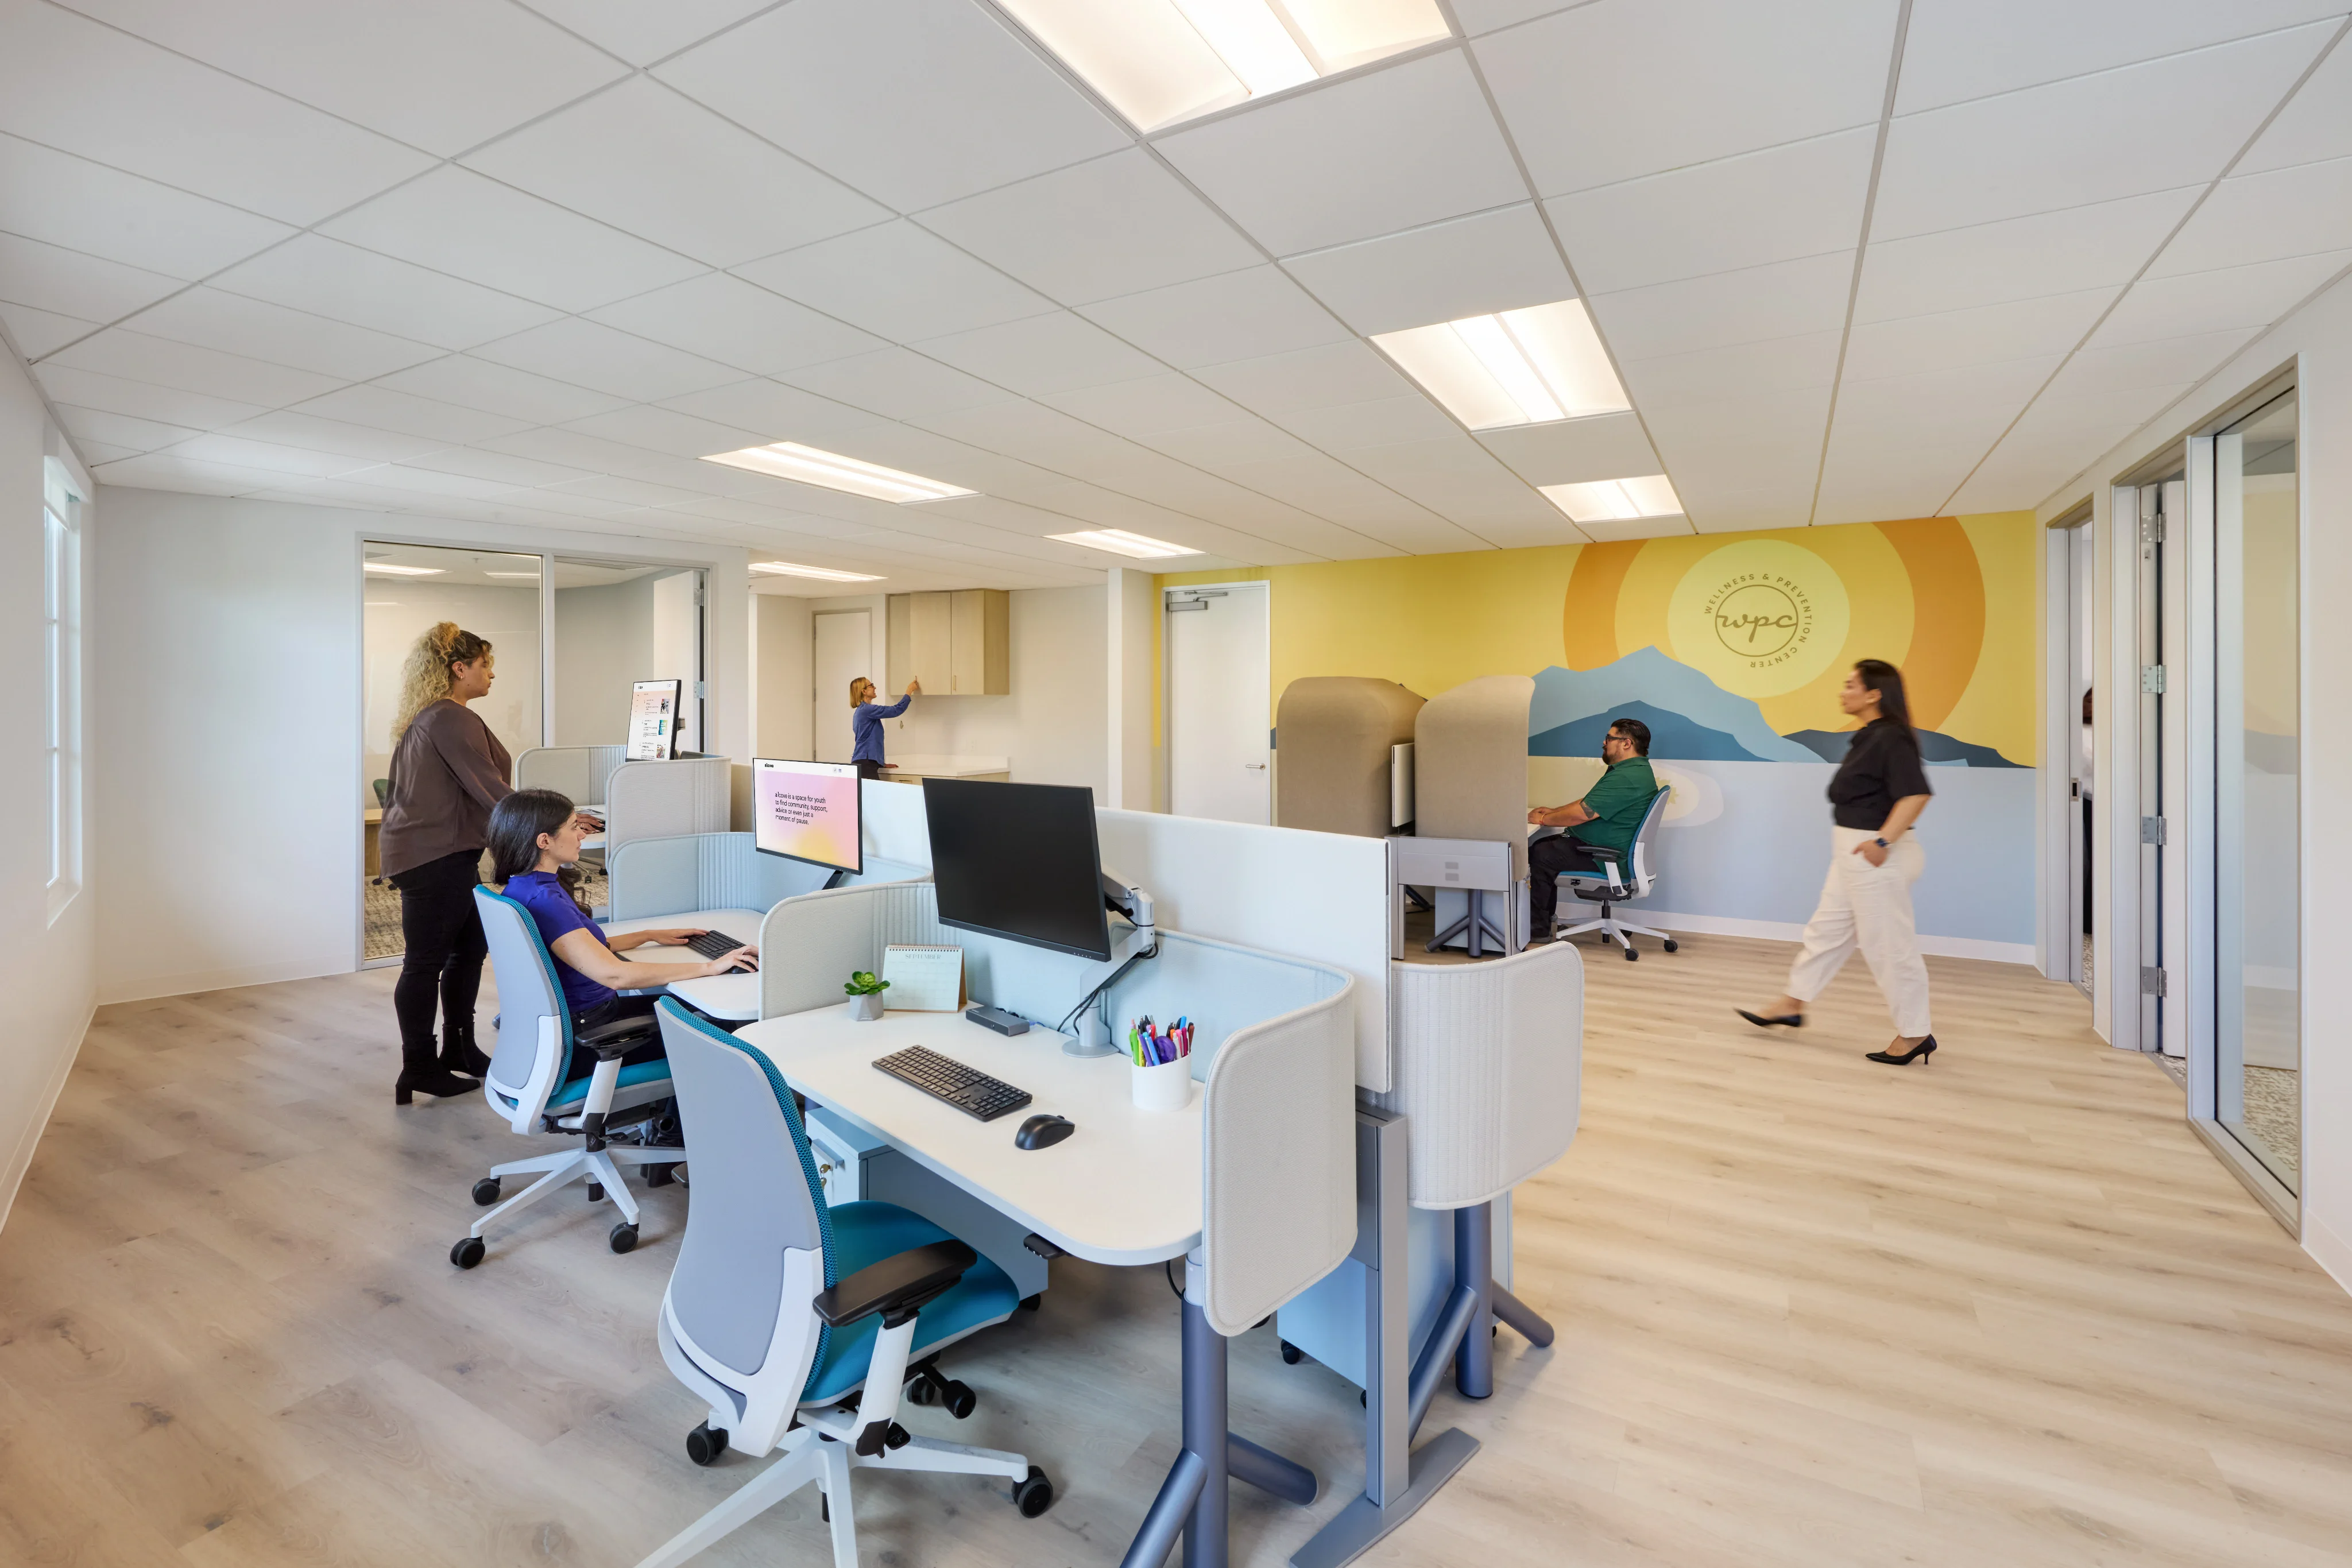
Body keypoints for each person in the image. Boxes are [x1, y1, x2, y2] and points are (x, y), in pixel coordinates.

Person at [1739, 659, 1937, 1065]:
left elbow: (1916, 794)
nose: (1842, 691)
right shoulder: (1870, 736)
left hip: (1876, 856)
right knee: (1826, 931)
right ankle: (1792, 1003)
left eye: (1850, 684)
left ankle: (1915, 1032)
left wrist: (1882, 841)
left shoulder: (1891, 737)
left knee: (1889, 947)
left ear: (1873, 694)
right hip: (1854, 854)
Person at [487, 790, 757, 1083]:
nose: (581, 834)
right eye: (573, 826)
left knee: (697, 1012)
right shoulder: (546, 900)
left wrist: (649, 935)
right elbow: (615, 976)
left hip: (578, 1023)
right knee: (728, 1031)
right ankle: (673, 1128)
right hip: (590, 1037)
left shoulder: (525, 888)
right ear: (545, 841)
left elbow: (581, 949)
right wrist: (710, 967)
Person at [378, 622, 513, 1104]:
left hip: (443, 853)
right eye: (485, 664)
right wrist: (550, 821)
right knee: (424, 964)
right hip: (433, 855)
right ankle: (417, 1065)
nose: (492, 674)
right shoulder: (449, 718)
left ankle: (458, 1047)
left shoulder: (437, 715)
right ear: (460, 669)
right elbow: (490, 787)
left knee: (469, 949)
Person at [1525, 717, 1660, 943]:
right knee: (1543, 847)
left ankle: (1538, 931)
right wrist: (1553, 811)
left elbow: (1583, 813)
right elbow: (1588, 803)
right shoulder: (1632, 771)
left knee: (1542, 854)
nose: (1604, 743)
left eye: (1609, 738)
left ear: (1626, 743)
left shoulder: (1627, 777)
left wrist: (1544, 820)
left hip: (1606, 855)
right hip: (1604, 848)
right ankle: (1545, 921)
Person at [849, 675, 920, 781]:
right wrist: (909, 690)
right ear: (864, 691)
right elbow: (896, 710)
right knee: (873, 797)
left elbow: (867, 740)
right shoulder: (867, 710)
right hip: (866, 765)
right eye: (871, 685)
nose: (875, 688)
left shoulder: (860, 712)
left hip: (864, 763)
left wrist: (880, 762)